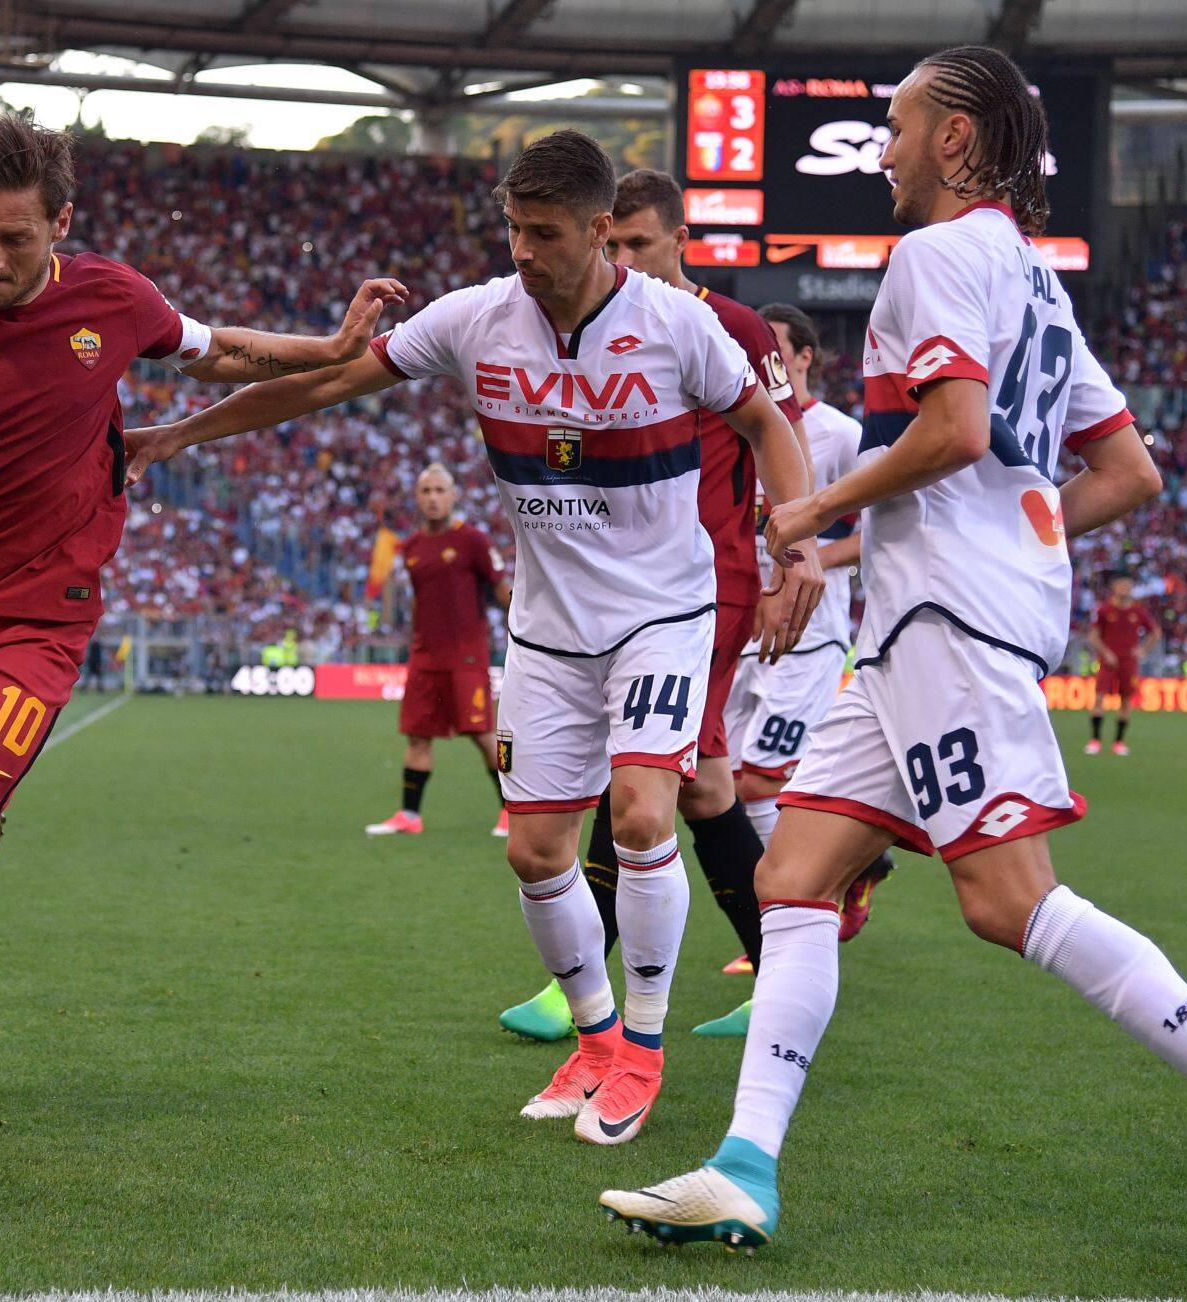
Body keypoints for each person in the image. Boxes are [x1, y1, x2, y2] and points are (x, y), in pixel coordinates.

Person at [601, 47, 1187, 1282]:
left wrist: (810, 517)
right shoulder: (1034, 282)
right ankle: (743, 1168)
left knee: (1006, 900)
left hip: (947, 625)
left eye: (897, 128)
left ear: (957, 140)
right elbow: (1127, 474)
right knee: (796, 879)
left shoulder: (937, 255)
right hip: (925, 620)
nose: (885, 152)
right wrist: (1005, 525)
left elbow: (953, 433)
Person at [126, 128, 819, 1147]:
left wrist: (794, 547)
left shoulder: (679, 328)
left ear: (599, 233)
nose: (524, 250)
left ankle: (642, 1048)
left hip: (663, 618)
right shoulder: (474, 321)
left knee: (638, 814)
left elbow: (768, 428)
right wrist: (177, 434)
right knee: (536, 851)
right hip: (544, 636)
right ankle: (589, 1039)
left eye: (544, 233)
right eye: (512, 229)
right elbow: (320, 385)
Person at [0, 113, 407, 1154]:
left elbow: (221, 352)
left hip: (36, 620)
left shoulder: (112, 297)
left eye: (14, 240)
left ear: (61, 223)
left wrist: (334, 345)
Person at [496, 167, 814, 1044]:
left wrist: (793, 554)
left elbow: (783, 435)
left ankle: (594, 991)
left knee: (641, 785)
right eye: (617, 240)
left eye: (639, 242)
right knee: (703, 785)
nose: (622, 254)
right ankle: (778, 969)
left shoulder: (724, 327)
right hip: (616, 593)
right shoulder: (587, 325)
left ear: (680, 240)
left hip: (700, 588)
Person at [709, 304, 894, 984]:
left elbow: (881, 529)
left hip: (810, 636)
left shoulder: (839, 435)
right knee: (720, 782)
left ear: (806, 357)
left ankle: (778, 934)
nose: (761, 361)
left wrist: (807, 563)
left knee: (756, 776)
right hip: (735, 628)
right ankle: (848, 872)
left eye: (775, 350)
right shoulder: (736, 421)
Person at [365, 463, 511, 839]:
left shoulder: (473, 540)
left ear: (453, 495)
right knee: (417, 735)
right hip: (425, 657)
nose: (433, 498)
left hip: (466, 657)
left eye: (439, 490)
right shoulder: (410, 548)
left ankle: (513, 810)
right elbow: (421, 603)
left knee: (484, 735)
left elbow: (502, 593)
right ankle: (409, 816)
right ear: (417, 498)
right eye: (426, 491)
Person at [1086, 572, 1160, 755]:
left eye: (1129, 585)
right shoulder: (1104, 610)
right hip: (1108, 661)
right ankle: (1095, 740)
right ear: (1114, 587)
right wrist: (1105, 652)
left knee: (1126, 700)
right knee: (1099, 697)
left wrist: (1142, 650)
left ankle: (1118, 742)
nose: (1126, 588)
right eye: (1122, 584)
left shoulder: (1138, 612)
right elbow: (1093, 636)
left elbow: (1156, 633)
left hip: (1129, 662)